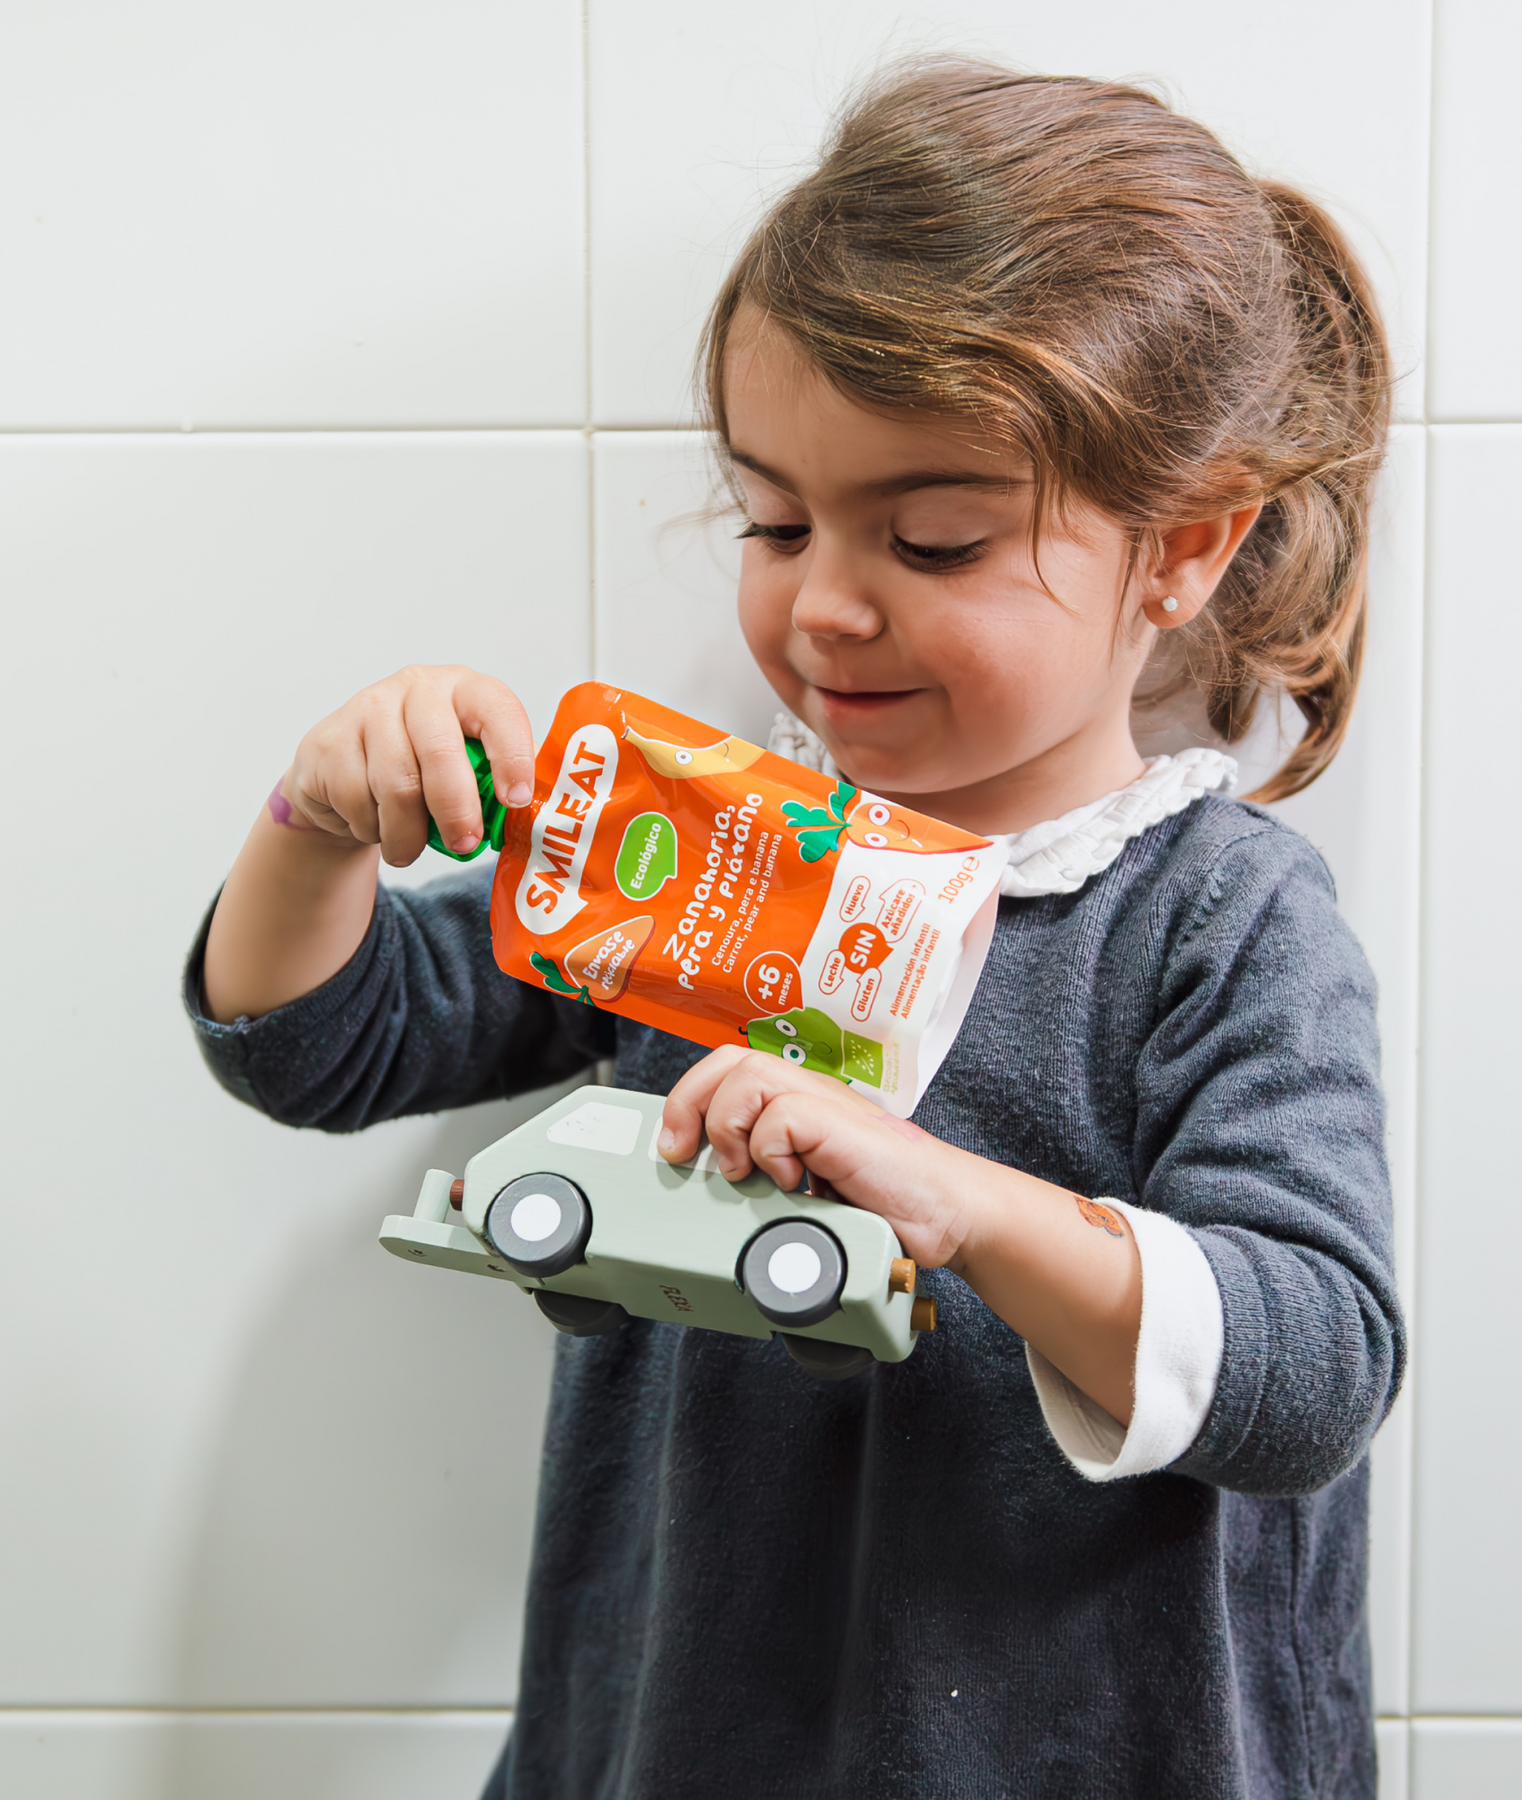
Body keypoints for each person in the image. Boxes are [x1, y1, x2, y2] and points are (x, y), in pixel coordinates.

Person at [189, 58, 1403, 1799]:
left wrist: (964, 1204)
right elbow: (321, 1044)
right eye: (775, 518)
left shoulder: (1217, 915)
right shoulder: (697, 841)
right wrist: (321, 822)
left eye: (933, 536)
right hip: (681, 1735)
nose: (822, 601)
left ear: (1183, 552)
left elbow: (1313, 1370)